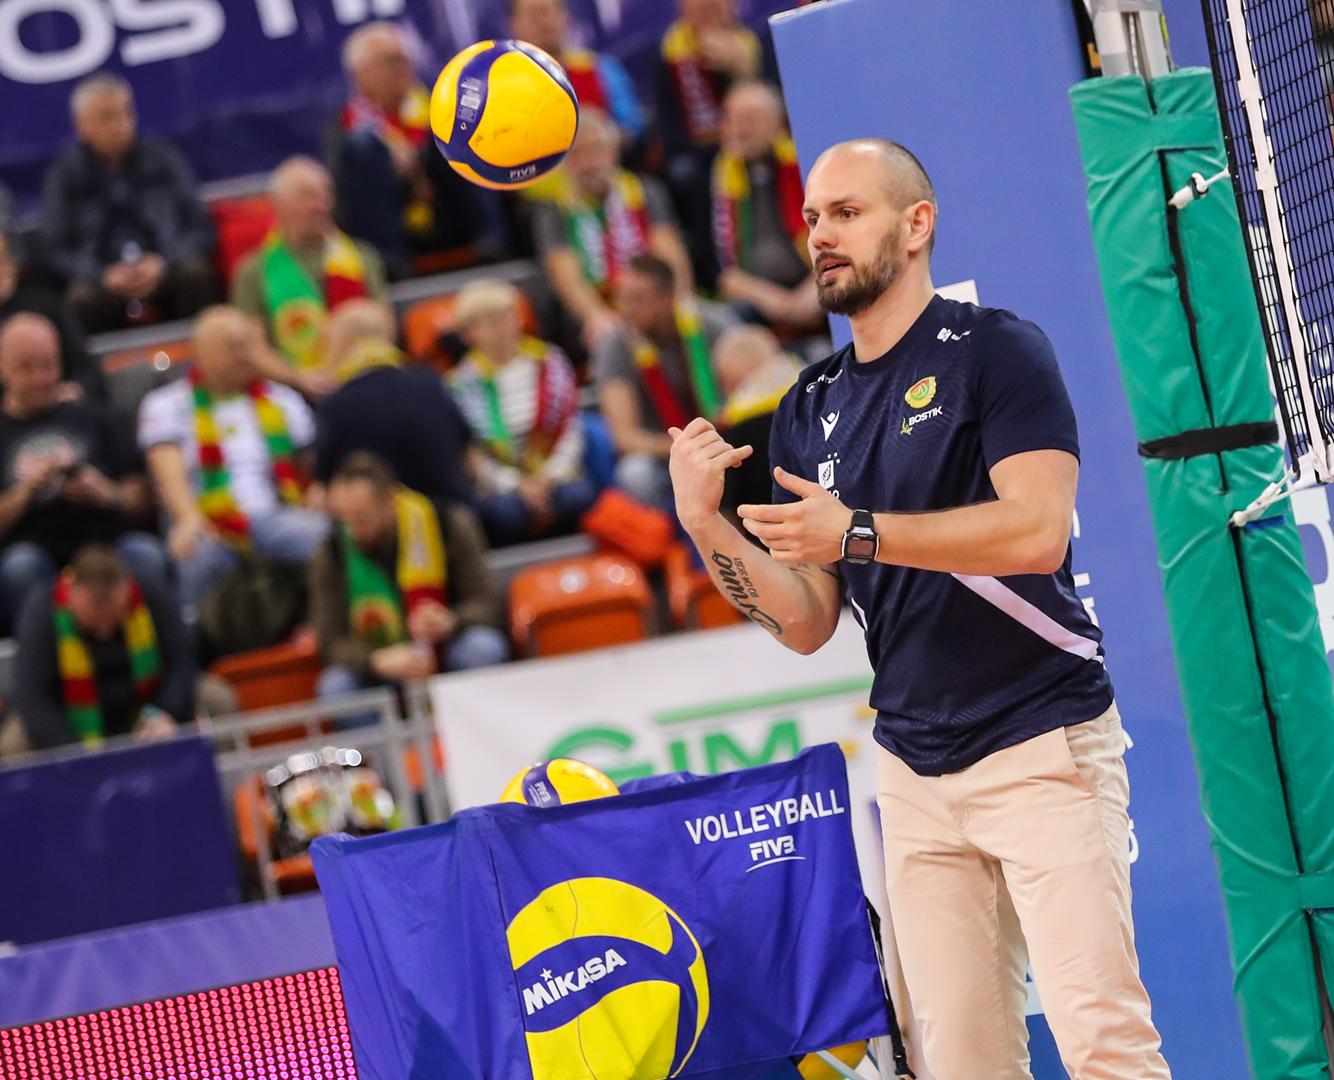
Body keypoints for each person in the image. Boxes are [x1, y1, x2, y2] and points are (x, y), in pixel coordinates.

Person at [667, 139, 1171, 1078]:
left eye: (846, 213)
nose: (820, 235)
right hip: (914, 770)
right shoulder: (806, 406)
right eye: (812, 218)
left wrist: (857, 531)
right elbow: (808, 622)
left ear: (916, 224)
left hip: (1039, 739)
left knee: (1103, 1041)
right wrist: (706, 525)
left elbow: (1038, 531)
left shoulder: (997, 349)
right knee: (960, 1064)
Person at [138, 306, 328, 612]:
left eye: (247, 345)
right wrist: (188, 518)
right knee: (194, 552)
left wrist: (319, 488)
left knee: (325, 535)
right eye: (232, 347)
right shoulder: (167, 404)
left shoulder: (281, 398)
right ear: (201, 352)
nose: (243, 355)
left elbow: (311, 462)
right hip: (208, 521)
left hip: (274, 515)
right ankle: (190, 633)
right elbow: (168, 475)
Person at [0, 313, 170, 630]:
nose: (40, 378)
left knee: (146, 555)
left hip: (106, 547)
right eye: (26, 367)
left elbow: (144, 498)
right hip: (35, 554)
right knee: (19, 568)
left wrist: (107, 494)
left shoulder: (96, 417)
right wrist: (26, 492)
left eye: (48, 365)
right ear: (3, 368)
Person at [310, 453, 509, 712]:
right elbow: (330, 641)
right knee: (336, 688)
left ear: (389, 501)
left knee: (482, 647)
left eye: (362, 518)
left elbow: (489, 602)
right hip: (382, 667)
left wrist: (451, 621)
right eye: (344, 519)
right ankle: (384, 742)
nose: (353, 530)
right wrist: (376, 661)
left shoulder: (447, 524)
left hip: (448, 647)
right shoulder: (333, 552)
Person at [40, 73, 216, 333]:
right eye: (107, 117)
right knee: (81, 299)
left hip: (164, 266)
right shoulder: (64, 176)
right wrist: (102, 274)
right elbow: (53, 250)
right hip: (102, 277)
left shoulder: (163, 159)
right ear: (81, 127)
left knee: (195, 274)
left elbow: (199, 227)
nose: (120, 125)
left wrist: (164, 262)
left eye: (126, 113)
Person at [329, 22, 507, 278]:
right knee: (362, 148)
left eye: (406, 58)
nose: (403, 67)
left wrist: (416, 161)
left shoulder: (436, 103)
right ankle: (389, 265)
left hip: (445, 209)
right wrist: (393, 165)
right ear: (360, 73)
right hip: (392, 220)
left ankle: (491, 242)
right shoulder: (342, 124)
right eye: (392, 60)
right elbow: (339, 190)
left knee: (455, 131)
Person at [449, 280, 597, 545]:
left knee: (578, 497)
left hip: (557, 474)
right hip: (503, 486)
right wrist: (517, 484)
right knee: (504, 514)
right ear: (468, 334)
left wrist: (551, 475)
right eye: (489, 322)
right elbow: (474, 456)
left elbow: (571, 427)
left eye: (506, 317)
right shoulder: (462, 384)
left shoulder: (550, 362)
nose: (500, 328)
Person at [532, 109, 692, 353]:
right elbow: (566, 276)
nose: (588, 163)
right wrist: (596, 315)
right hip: (600, 307)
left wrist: (679, 299)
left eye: (595, 150)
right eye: (577, 155)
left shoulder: (645, 191)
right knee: (605, 336)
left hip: (652, 299)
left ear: (613, 152)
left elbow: (670, 254)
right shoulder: (554, 211)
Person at [12, 544, 193, 750]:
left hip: (146, 713)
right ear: (72, 595)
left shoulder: (151, 594)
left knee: (212, 698)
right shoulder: (41, 613)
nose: (104, 631)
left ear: (126, 589)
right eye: (92, 621)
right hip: (69, 722)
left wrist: (166, 712)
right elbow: (32, 696)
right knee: (13, 743)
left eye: (113, 618)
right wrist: (72, 751)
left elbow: (183, 660)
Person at [595, 253, 735, 509]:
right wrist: (686, 448)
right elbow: (624, 436)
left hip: (724, 437)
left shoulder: (712, 325)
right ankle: (668, 534)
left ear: (668, 298)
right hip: (664, 453)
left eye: (638, 299)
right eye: (622, 297)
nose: (627, 308)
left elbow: (751, 389)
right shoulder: (616, 345)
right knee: (635, 473)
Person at [231, 157, 388, 377]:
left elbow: (385, 326)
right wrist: (300, 379)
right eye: (308, 196)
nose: (320, 206)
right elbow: (254, 348)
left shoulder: (363, 256)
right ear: (279, 205)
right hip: (292, 387)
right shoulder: (253, 270)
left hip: (364, 375)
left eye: (325, 195)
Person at [313, 298, 473, 505]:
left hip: (388, 523)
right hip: (455, 512)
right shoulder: (430, 383)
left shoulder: (335, 407)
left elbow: (326, 487)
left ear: (340, 345)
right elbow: (468, 457)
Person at [655, 0, 761, 283]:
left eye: (716, 8)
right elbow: (667, 125)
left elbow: (767, 107)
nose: (709, 17)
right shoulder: (668, 52)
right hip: (696, 149)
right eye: (701, 9)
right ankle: (713, 272)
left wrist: (741, 70)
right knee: (689, 174)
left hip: (747, 140)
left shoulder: (752, 43)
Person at [712, 83, 823, 334]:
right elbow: (723, 271)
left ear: (777, 123)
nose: (738, 130)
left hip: (816, 282)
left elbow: (839, 241)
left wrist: (814, 290)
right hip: (759, 298)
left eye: (749, 119)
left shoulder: (806, 166)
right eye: (730, 119)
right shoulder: (722, 176)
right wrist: (776, 302)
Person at [508, 0, 645, 142]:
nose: (544, 21)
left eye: (548, 11)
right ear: (513, 24)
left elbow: (631, 126)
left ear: (565, 16)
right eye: (534, 14)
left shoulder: (599, 68)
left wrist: (597, 138)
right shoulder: (505, 80)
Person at [0, 228, 106, 403]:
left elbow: (87, 372)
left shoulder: (46, 305)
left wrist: (74, 390)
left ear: (12, 263)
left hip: (57, 409)